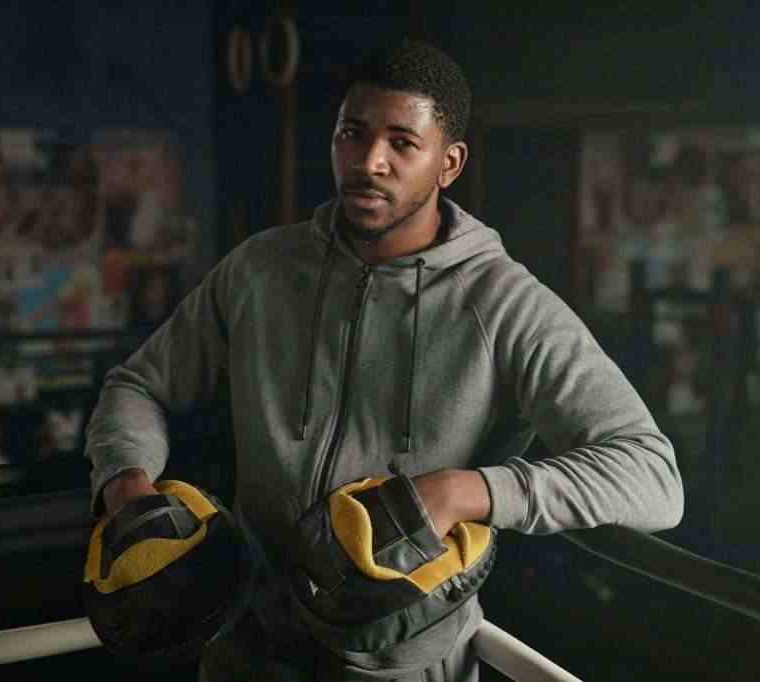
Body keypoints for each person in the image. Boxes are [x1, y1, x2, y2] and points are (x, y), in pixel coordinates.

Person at [85, 39, 684, 681]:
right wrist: (128, 488)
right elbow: (138, 384)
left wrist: (464, 491)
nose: (369, 161)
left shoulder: (505, 302)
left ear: (448, 163)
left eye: (402, 142)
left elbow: (651, 477)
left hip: (401, 665)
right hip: (247, 650)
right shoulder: (261, 269)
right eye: (353, 133)